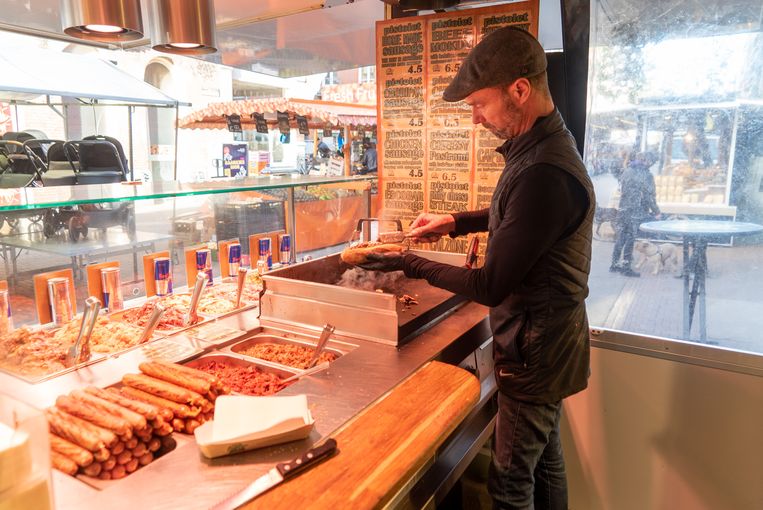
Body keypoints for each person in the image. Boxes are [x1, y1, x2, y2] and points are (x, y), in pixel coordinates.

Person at [354, 27, 594, 510]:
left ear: (519, 90)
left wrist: (409, 262)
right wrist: (455, 222)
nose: (476, 118)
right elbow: (522, 218)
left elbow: (490, 284)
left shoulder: (544, 170)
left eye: (480, 104)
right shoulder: (542, 148)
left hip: (534, 351)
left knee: (510, 486)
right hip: (550, 345)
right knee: (545, 465)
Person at [610, 151, 661, 277]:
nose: (651, 164)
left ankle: (615, 264)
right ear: (647, 161)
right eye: (651, 162)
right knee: (630, 239)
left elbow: (622, 188)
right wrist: (656, 211)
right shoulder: (645, 174)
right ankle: (626, 266)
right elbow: (649, 195)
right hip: (634, 211)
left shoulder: (628, 171)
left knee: (621, 238)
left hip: (623, 209)